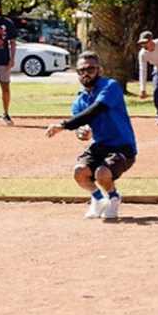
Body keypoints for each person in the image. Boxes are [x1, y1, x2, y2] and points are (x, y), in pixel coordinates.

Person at [46, 52, 137, 220]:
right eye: (81, 70)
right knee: (79, 172)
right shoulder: (79, 100)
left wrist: (63, 125)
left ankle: (114, 198)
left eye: (90, 69)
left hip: (122, 146)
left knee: (102, 173)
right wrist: (82, 133)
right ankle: (98, 199)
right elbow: (82, 128)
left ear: (99, 70)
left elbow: (97, 109)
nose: (85, 73)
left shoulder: (111, 86)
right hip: (100, 145)